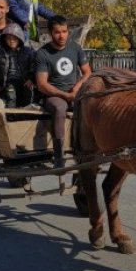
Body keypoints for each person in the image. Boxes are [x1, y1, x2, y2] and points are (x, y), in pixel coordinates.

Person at [34, 15, 91, 168]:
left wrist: (77, 88)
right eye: (58, 32)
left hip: (75, 93)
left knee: (95, 105)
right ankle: (59, 155)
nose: (62, 36)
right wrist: (65, 95)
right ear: (51, 33)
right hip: (53, 96)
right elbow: (42, 84)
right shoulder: (43, 54)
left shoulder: (75, 48)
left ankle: (91, 146)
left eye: (64, 31)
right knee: (60, 108)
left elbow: (87, 72)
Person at [0, 23, 37, 108]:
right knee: (11, 97)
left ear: (19, 39)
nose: (11, 41)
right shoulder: (2, 53)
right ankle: (11, 117)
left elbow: (34, 65)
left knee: (28, 94)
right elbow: (0, 70)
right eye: (8, 39)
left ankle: (26, 116)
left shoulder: (28, 52)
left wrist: (31, 79)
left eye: (14, 39)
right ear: (4, 39)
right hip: (10, 81)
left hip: (25, 79)